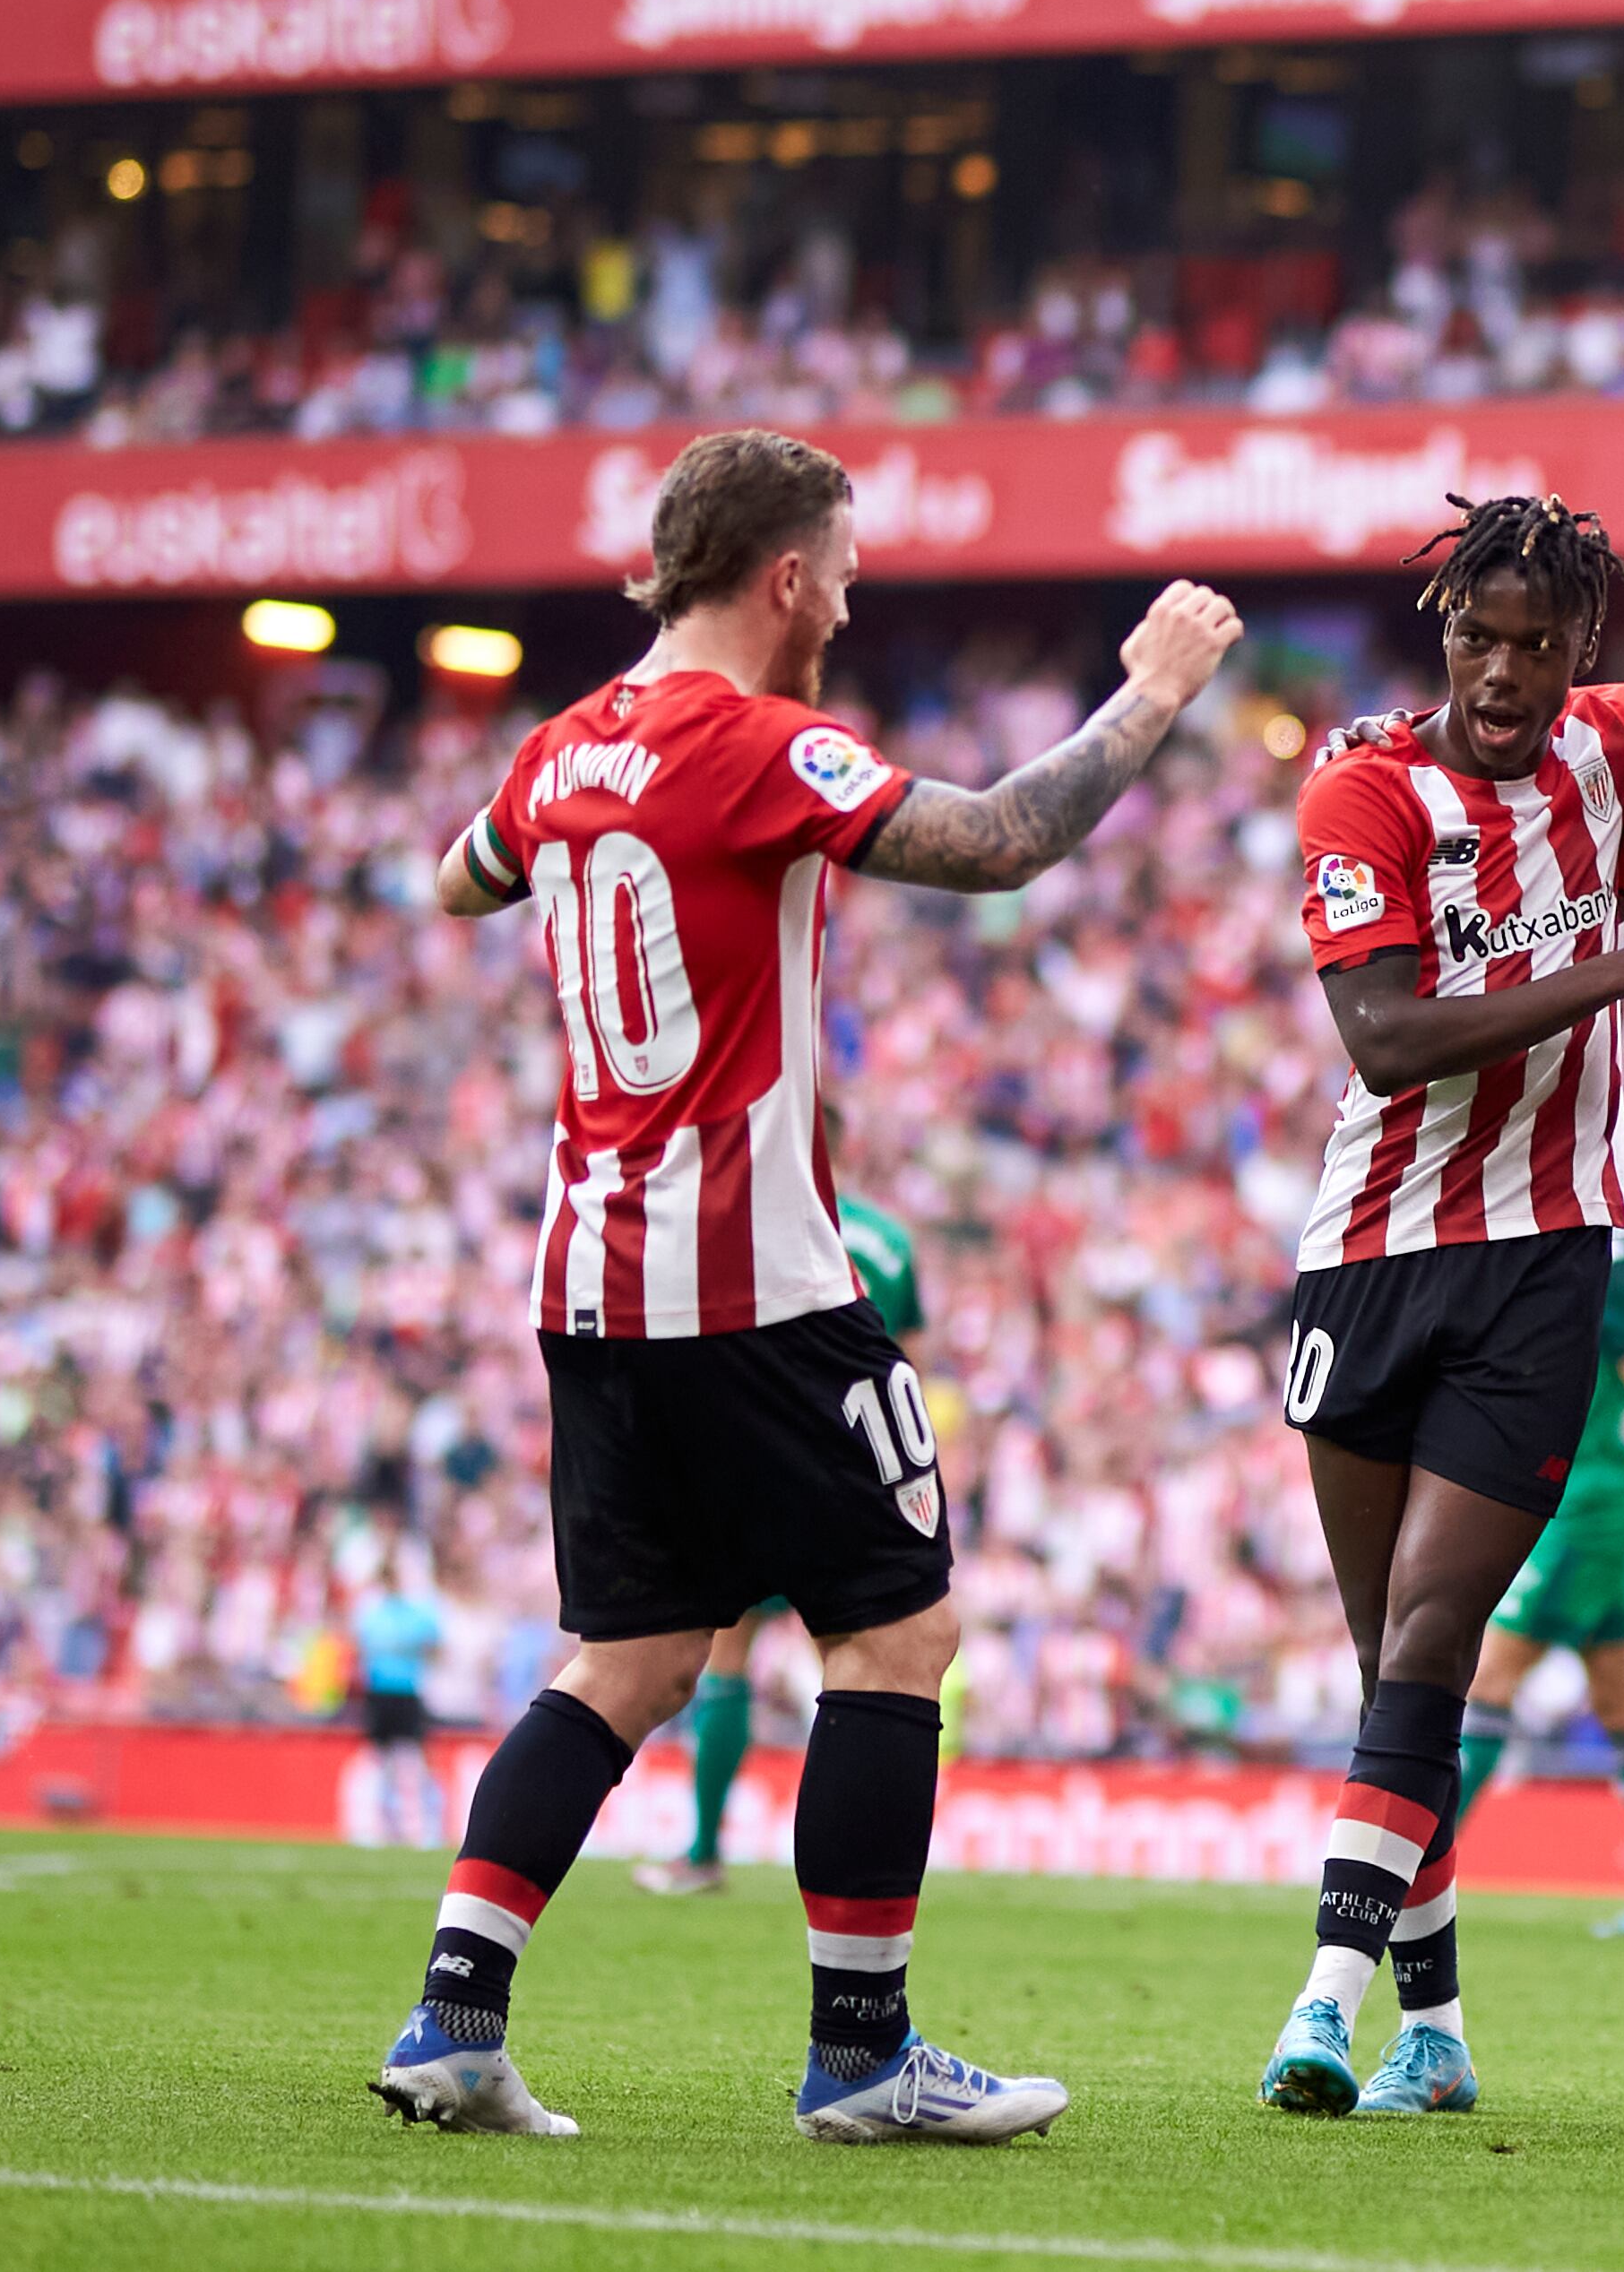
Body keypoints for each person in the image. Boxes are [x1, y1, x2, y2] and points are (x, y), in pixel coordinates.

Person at [373, 425, 1240, 2143]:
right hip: (751, 1282)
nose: (851, 597)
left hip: (590, 1276)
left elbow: (452, 874)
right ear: (782, 578)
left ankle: (453, 2019)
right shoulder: (754, 742)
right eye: (842, 567)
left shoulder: (561, 748)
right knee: (897, 1629)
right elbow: (997, 840)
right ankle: (864, 2049)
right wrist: (1150, 695)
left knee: (624, 1655)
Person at [1259, 492, 1624, 2119]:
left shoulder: (1610, 752)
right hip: (1367, 1245)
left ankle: (1327, 2002)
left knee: (1434, 1630)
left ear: (1581, 651)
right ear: (1444, 635)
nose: (1502, 669)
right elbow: (1389, 1038)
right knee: (1384, 1665)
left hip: (1547, 1255)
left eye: (1537, 643)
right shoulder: (1362, 785)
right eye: (1477, 636)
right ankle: (1436, 2024)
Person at [640, 1161, 931, 1899]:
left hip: (761, 1460)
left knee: (728, 1651)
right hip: (864, 1466)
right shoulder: (891, 1240)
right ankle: (862, 1870)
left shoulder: (762, 1216)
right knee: (864, 1659)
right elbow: (911, 1366)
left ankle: (704, 1850)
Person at [1461, 1221, 1624, 1939]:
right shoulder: (1568, 1246)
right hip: (1575, 1494)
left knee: (1491, 1677)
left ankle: (1419, 1863)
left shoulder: (1612, 1263)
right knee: (1619, 1693)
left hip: (1586, 1501)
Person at [358, 1553, 450, 1851]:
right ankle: (383, 1825)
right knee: (381, 1761)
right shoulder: (372, 1613)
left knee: (419, 1758)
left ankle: (430, 1824)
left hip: (407, 1691)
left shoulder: (416, 1613)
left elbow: (436, 1647)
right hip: (381, 1691)